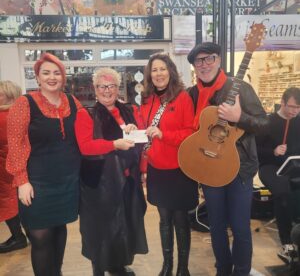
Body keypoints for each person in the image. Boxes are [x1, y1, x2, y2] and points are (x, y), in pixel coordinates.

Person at [187, 42, 268, 276]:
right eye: (199, 61)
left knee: (241, 227)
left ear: (219, 60)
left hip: (239, 168)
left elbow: (264, 125)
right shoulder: (193, 94)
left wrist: (239, 117)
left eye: (209, 58)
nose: (204, 65)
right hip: (210, 166)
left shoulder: (240, 87)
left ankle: (241, 271)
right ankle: (223, 269)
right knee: (217, 227)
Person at [6, 53, 82, 276]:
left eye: (57, 73)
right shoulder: (24, 103)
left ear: (63, 77)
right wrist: (21, 181)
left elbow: (88, 133)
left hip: (68, 181)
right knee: (40, 238)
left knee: (59, 230)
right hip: (37, 183)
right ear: (37, 77)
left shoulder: (73, 102)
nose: (52, 77)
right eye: (46, 73)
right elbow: (16, 143)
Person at [75, 67, 148, 276]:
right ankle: (99, 268)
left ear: (119, 88)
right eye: (102, 86)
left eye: (112, 86)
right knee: (100, 228)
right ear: (95, 89)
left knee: (123, 224)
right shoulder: (85, 114)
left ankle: (118, 265)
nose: (107, 90)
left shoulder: (130, 111)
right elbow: (85, 147)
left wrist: (135, 132)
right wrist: (114, 144)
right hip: (99, 183)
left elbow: (142, 141)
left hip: (126, 180)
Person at [140, 53, 198, 276]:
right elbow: (143, 131)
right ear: (149, 74)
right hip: (157, 168)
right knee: (164, 220)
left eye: (162, 69)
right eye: (154, 70)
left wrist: (165, 135)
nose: (158, 74)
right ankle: (167, 265)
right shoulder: (146, 99)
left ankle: (183, 268)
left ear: (171, 71)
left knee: (181, 219)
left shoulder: (182, 98)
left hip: (180, 169)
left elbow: (190, 133)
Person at [256, 87, 300, 264]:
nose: (295, 111)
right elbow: (256, 151)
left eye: (299, 108)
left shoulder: (298, 119)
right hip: (269, 166)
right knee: (282, 191)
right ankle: (287, 243)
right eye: (292, 107)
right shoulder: (267, 122)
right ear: (282, 103)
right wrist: (273, 151)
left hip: (293, 166)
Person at [0, 80, 27, 253]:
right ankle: (19, 236)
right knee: (13, 201)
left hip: (5, 165)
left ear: (8, 96)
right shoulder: (17, 113)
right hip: (13, 163)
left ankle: (18, 237)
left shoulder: (4, 116)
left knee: (7, 201)